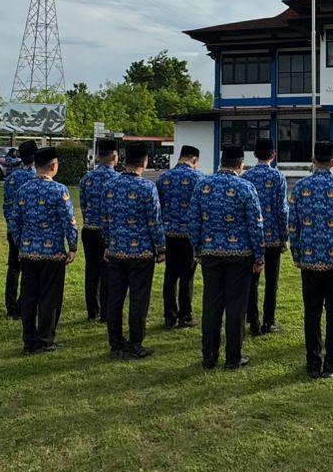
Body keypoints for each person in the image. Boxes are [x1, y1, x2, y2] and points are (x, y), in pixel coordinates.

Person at [287, 140, 333, 379]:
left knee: (311, 311)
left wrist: (297, 254)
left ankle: (312, 362)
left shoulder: (300, 187)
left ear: (313, 161)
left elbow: (293, 226)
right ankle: (332, 361)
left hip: (309, 258)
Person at [193, 144, 265, 370]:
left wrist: (197, 250)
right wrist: (259, 255)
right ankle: (233, 356)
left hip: (210, 253)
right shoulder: (245, 187)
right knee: (236, 306)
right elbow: (255, 225)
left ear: (221, 161)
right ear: (240, 164)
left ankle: (209, 356)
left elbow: (194, 221)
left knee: (211, 305)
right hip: (240, 254)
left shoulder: (203, 185)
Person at [101, 140, 164, 360]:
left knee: (115, 298)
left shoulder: (110, 185)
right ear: (145, 162)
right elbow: (154, 221)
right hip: (141, 252)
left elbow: (105, 219)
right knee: (139, 299)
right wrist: (161, 247)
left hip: (116, 250)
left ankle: (115, 342)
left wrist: (108, 243)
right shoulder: (147, 187)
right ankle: (135, 343)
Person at [13, 146, 78, 355]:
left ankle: (28, 340)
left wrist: (21, 244)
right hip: (52, 253)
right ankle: (45, 339)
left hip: (28, 252)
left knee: (29, 296)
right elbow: (69, 221)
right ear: (53, 166)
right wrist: (73, 246)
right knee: (50, 297)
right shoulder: (59, 190)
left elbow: (15, 223)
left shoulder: (23, 189)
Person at [242, 137, 289, 336]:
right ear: (273, 155)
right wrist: (284, 236)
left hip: (251, 237)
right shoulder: (278, 177)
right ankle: (269, 321)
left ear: (254, 155)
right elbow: (282, 210)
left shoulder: (245, 177)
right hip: (272, 237)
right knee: (272, 281)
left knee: (251, 281)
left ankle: (253, 321)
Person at [155, 145, 202, 329]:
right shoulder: (198, 178)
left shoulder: (164, 178)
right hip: (189, 235)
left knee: (170, 275)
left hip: (168, 234)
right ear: (194, 160)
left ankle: (169, 315)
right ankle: (185, 315)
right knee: (187, 276)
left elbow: (158, 207)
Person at [78, 140, 120, 323]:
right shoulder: (117, 180)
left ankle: (92, 310)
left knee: (91, 271)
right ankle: (105, 313)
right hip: (107, 231)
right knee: (108, 273)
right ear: (114, 156)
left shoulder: (87, 178)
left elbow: (83, 205)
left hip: (89, 229)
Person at [1, 140, 40, 319]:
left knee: (14, 268)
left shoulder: (11, 178)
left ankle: (11, 306)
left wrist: (12, 226)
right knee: (31, 271)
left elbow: (7, 206)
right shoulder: (37, 177)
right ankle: (24, 304)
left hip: (14, 229)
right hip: (33, 232)